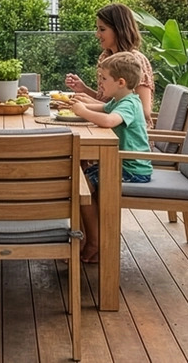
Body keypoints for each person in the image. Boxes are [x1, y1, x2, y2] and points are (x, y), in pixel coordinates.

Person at [70, 51, 154, 263]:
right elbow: (101, 107)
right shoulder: (121, 99)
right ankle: (90, 237)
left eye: (104, 79)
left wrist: (82, 111)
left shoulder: (129, 104)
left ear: (121, 82)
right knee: (82, 172)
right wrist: (77, 105)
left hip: (131, 168)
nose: (100, 83)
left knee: (82, 182)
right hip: (122, 164)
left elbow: (108, 121)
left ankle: (95, 241)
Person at [65, 2, 155, 113]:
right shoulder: (106, 57)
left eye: (102, 29)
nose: (97, 34)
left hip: (127, 129)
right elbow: (105, 102)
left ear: (119, 30)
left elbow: (143, 111)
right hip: (105, 124)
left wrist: (93, 104)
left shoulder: (136, 61)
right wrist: (84, 89)